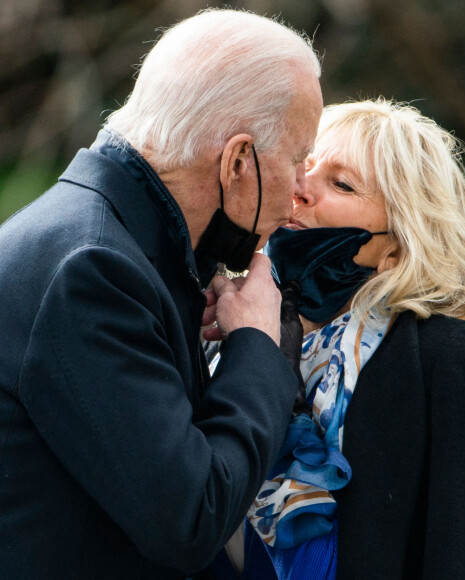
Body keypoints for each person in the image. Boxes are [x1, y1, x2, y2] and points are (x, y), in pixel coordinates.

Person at [0, 8, 322, 579]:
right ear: (238, 160)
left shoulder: (111, 247)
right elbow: (190, 519)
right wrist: (257, 346)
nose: (301, 190)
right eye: (297, 160)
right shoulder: (91, 269)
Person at [234, 99, 465, 579]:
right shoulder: (240, 347)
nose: (299, 188)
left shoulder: (452, 358)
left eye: (341, 182)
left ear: (397, 246)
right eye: (302, 166)